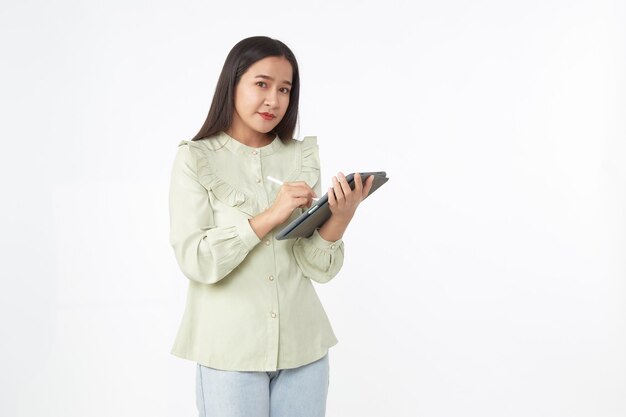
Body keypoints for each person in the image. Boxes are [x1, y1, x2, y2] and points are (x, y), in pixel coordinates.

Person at [168, 35, 374, 417]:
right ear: (233, 83)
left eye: (285, 89)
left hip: (304, 349)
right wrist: (269, 217)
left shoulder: (301, 157)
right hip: (229, 351)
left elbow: (313, 267)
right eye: (261, 84)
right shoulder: (195, 159)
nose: (274, 100)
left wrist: (340, 218)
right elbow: (195, 260)